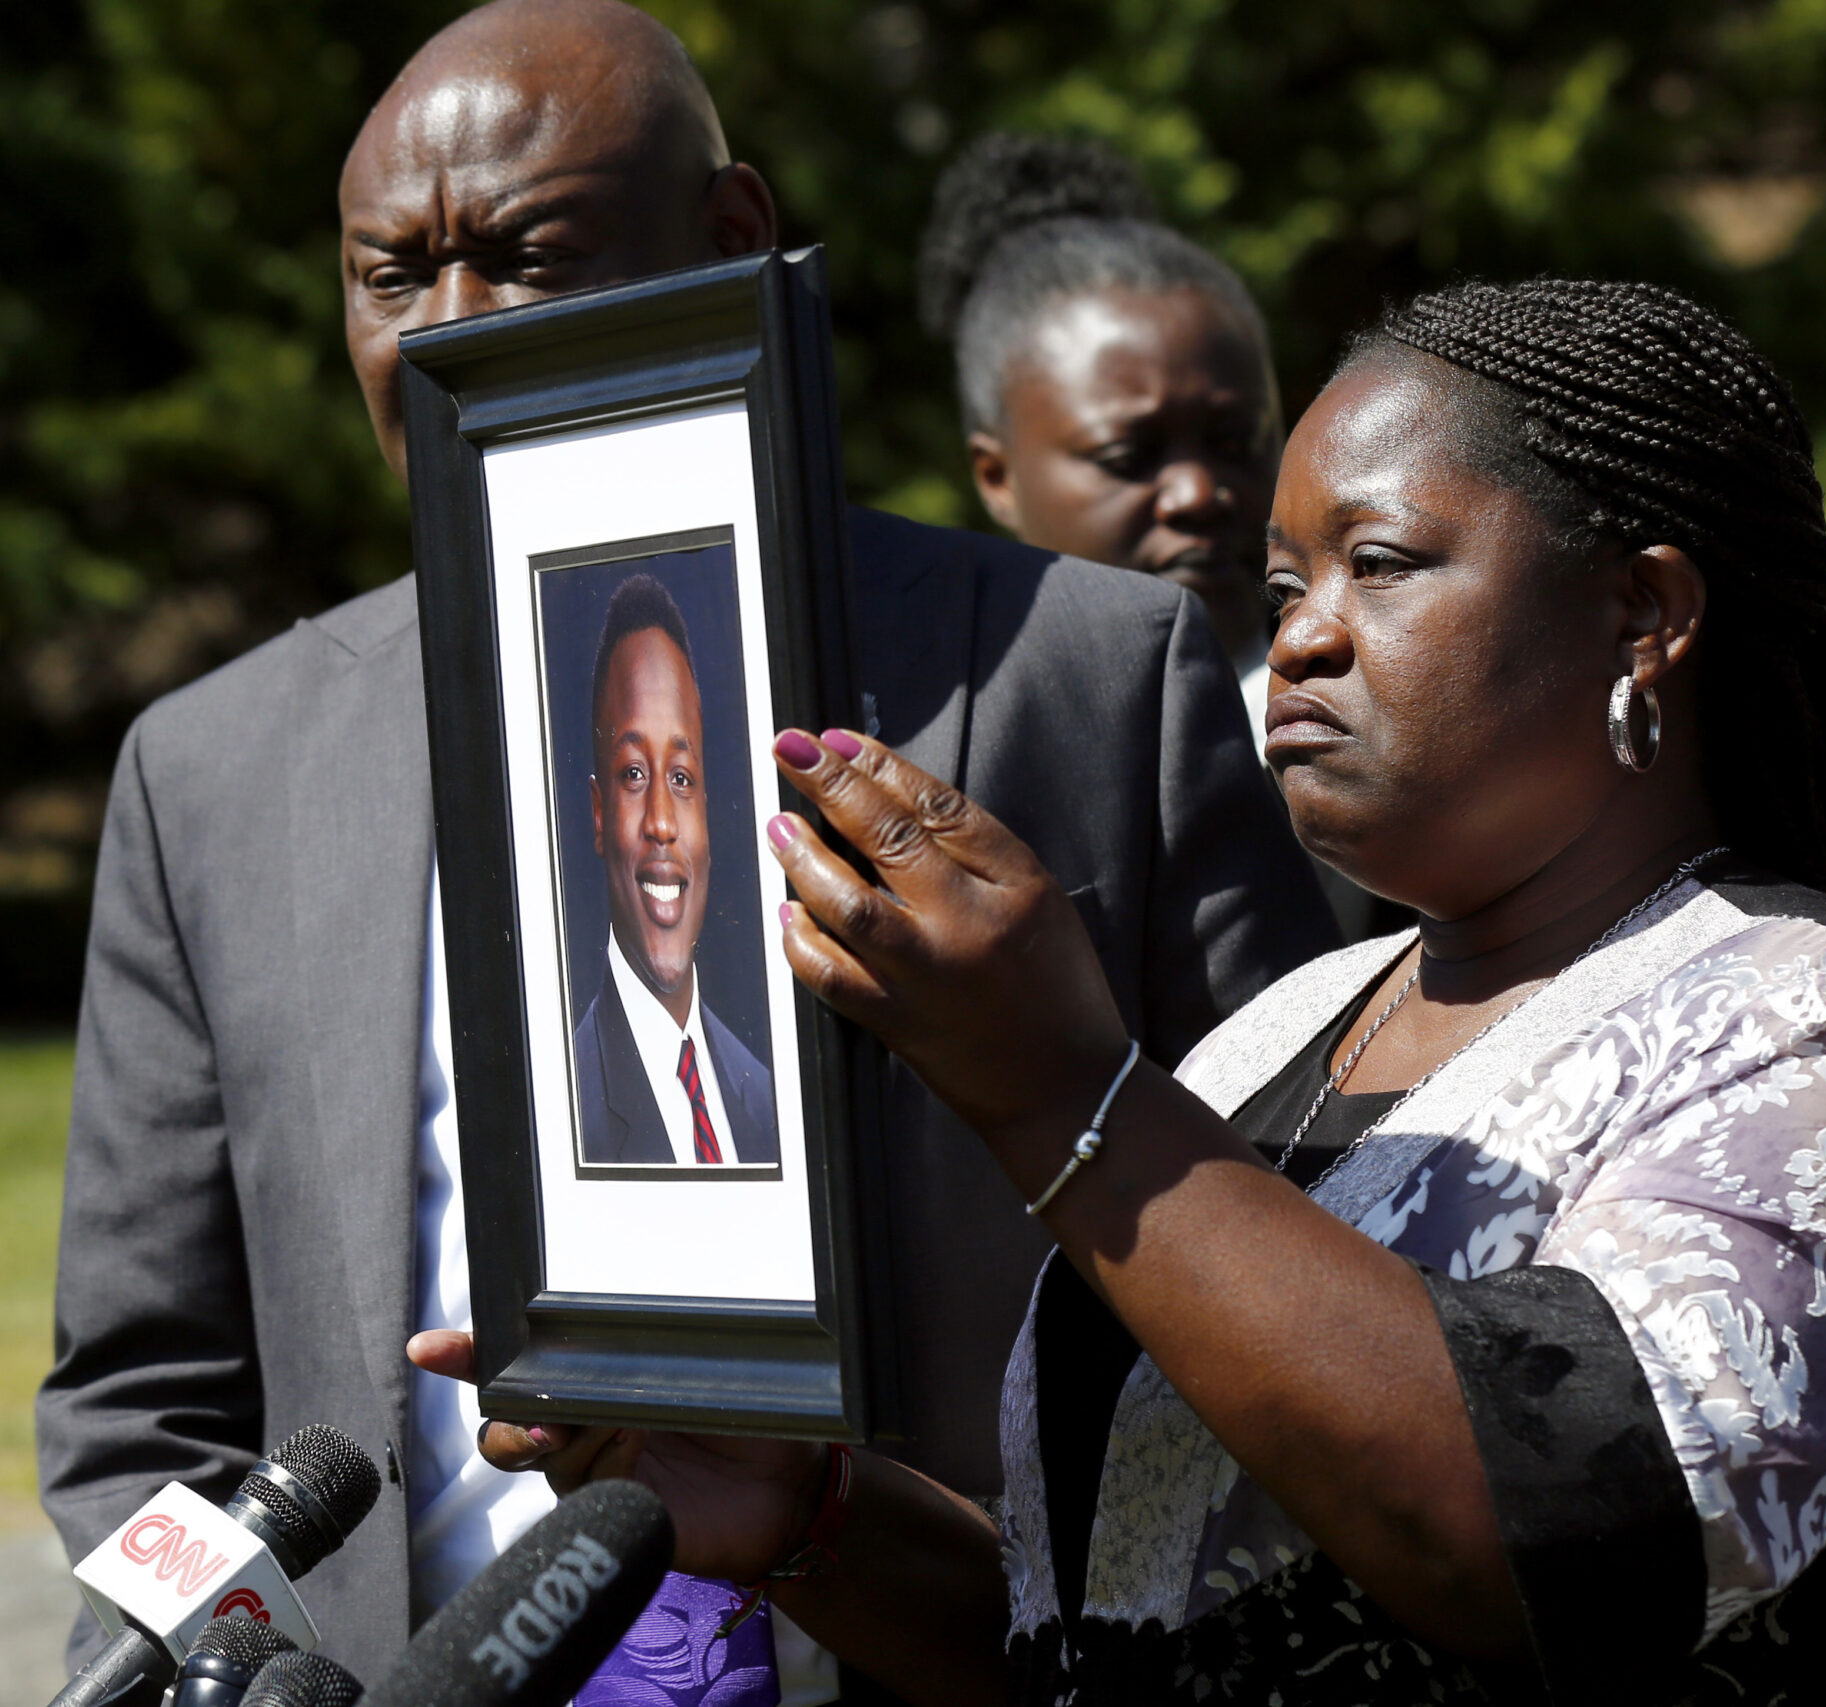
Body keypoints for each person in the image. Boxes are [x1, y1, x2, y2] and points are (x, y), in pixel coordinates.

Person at [431, 278, 1826, 1706]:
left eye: (1380, 564)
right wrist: (816, 1520)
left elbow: (1557, 1544)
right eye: (1283, 590)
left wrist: (1066, 1091)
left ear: (1646, 612)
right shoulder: (1285, 1028)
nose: (1303, 643)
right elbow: (1113, 1635)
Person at [35, 0, 1335, 1697]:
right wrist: (220, 1663)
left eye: (521, 257)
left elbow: (1309, 1252)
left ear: (732, 240)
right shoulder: (214, 773)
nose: (442, 337)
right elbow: (143, 1400)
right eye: (388, 276)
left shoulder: (1084, 673)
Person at [920, 132, 1395, 944]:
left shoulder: (1388, 723)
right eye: (1129, 457)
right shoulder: (940, 762)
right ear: (996, 476)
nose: (1198, 493)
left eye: (1235, 441)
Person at [572, 574, 777, 1169]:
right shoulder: (566, 1107)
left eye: (682, 779)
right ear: (598, 814)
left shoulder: (766, 1098)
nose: (662, 821)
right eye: (634, 774)